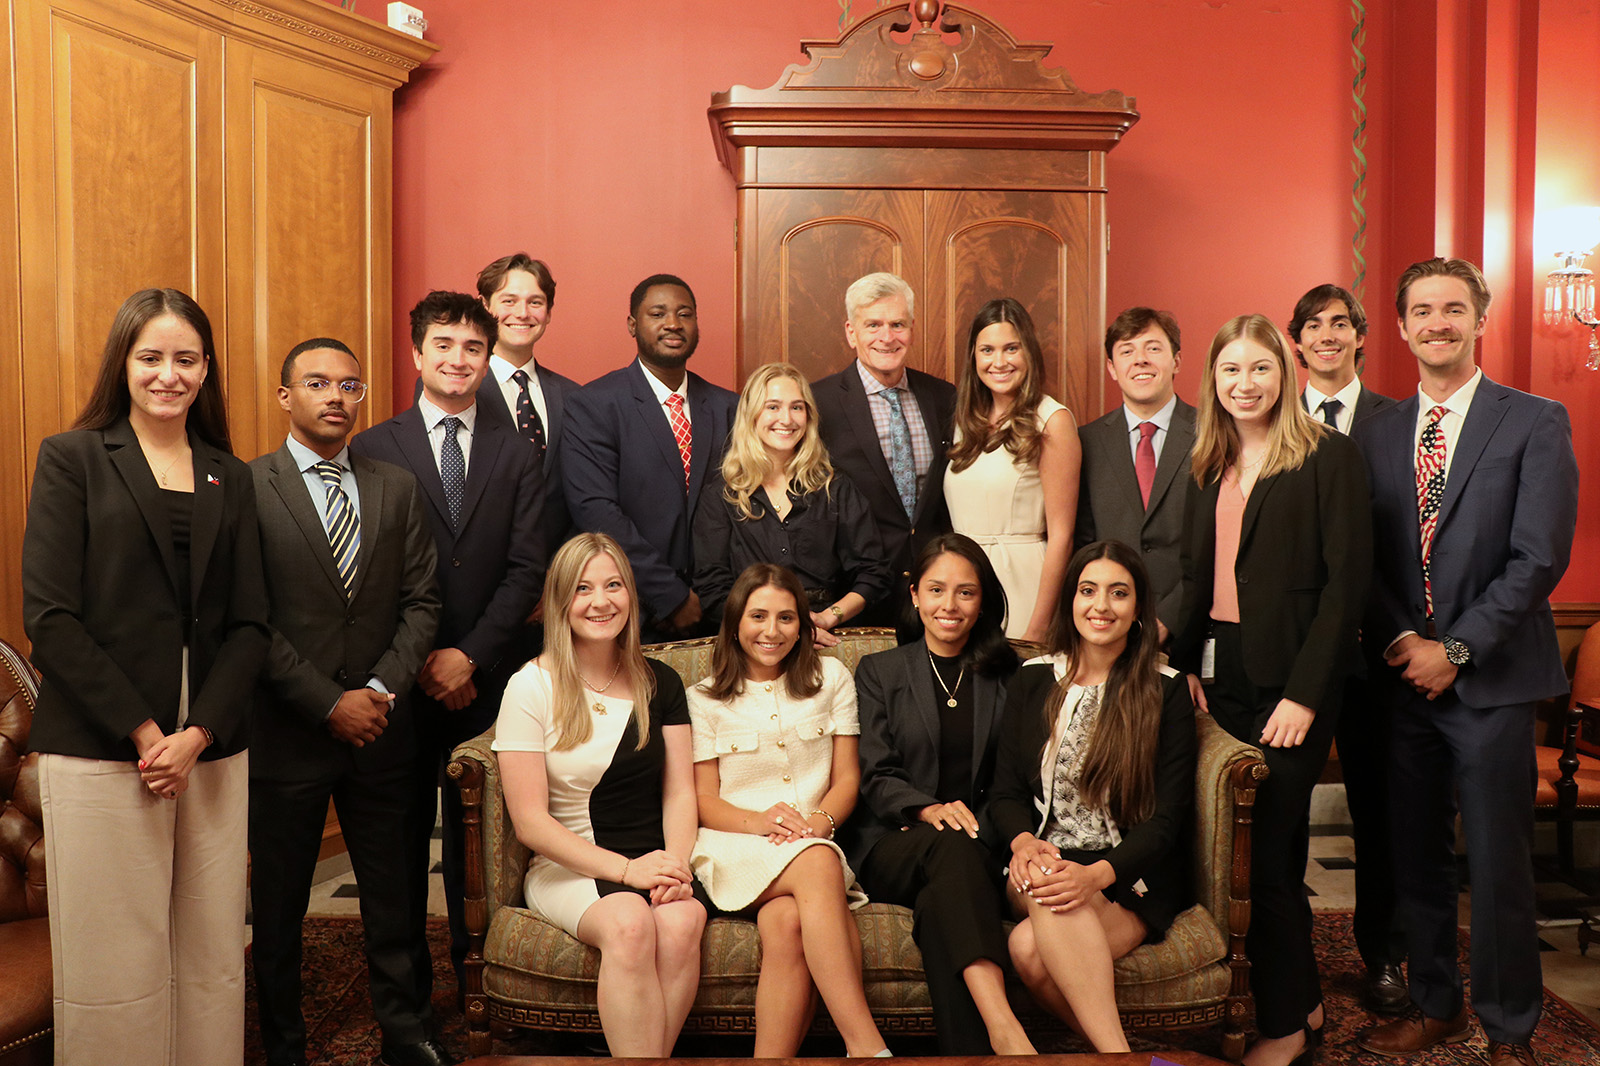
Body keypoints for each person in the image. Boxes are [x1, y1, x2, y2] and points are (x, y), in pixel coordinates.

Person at [22, 288, 270, 1066]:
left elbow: (251, 625)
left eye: (187, 359)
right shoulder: (73, 458)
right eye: (152, 357)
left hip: (212, 754)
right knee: (114, 969)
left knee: (210, 963)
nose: (170, 375)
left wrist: (197, 735)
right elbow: (50, 617)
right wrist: (147, 733)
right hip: (104, 750)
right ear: (123, 363)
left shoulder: (232, 473)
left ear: (207, 370)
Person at [1354, 259, 1578, 1066]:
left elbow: (1537, 559)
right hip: (1402, 683)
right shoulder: (1376, 431)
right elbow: (1367, 561)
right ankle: (1434, 1002)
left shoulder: (1534, 421)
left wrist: (1454, 650)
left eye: (1454, 309)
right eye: (1422, 310)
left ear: (1480, 320)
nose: (1437, 323)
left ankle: (1511, 1027)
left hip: (1492, 685)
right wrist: (1402, 645)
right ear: (1403, 326)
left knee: (1496, 864)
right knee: (1414, 854)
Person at [1173, 314, 1371, 1066]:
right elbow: (1197, 580)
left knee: (1267, 851)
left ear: (1283, 376)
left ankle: (1284, 1026)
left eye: (1259, 369)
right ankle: (1303, 998)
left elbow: (1345, 589)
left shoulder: (1328, 457)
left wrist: (1304, 695)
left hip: (1294, 682)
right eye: (1230, 371)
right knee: (1241, 854)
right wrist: (1188, 663)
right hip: (1221, 674)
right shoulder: (1207, 461)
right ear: (1213, 381)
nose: (1244, 384)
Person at [250, 338, 448, 1066]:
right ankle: (283, 1041)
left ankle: (407, 1031)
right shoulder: (248, 487)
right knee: (279, 905)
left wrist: (373, 691)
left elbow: (422, 601)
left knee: (393, 895)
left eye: (350, 384)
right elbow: (249, 616)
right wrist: (324, 700)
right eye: (317, 383)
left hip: (381, 729)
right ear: (285, 398)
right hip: (287, 732)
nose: (336, 396)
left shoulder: (395, 487)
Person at [350, 290, 547, 1003]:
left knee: (482, 845)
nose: (457, 359)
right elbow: (369, 573)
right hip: (399, 680)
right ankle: (404, 997)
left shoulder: (516, 452)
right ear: (416, 354)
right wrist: (425, 657)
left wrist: (470, 655)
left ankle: (481, 980)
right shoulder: (373, 446)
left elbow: (528, 566)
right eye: (444, 344)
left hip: (487, 679)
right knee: (397, 843)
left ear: (488, 358)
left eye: (472, 347)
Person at [494, 533, 705, 1057]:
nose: (600, 601)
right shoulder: (530, 686)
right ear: (560, 602)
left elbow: (680, 793)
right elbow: (530, 824)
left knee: (683, 920)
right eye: (583, 589)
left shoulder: (662, 682)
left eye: (613, 585)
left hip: (654, 859)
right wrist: (627, 872)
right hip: (570, 866)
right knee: (630, 922)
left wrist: (675, 868)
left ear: (631, 596)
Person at [988, 540, 1196, 1052]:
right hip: (1044, 861)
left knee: (1027, 950)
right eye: (1088, 590)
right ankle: (1126, 1058)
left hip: (1129, 870)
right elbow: (1005, 792)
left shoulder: (1164, 689)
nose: (1101, 606)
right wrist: (1021, 842)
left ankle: (1115, 1057)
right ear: (1070, 600)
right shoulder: (1034, 679)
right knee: (1045, 874)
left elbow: (1167, 819)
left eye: (1118, 594)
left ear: (1139, 609)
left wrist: (1100, 875)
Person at [687, 564, 890, 1058]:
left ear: (803, 625)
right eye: (758, 616)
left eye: (785, 618)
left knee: (786, 924)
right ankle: (866, 1046)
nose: (771, 631)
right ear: (735, 622)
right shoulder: (704, 697)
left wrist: (820, 825)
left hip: (812, 839)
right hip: (736, 847)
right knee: (819, 862)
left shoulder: (833, 678)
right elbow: (704, 800)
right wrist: (759, 823)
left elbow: (847, 779)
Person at [846, 533, 1033, 1055]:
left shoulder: (1011, 675)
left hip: (978, 846)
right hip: (893, 844)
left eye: (966, 593)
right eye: (936, 590)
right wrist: (927, 808)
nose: (949, 606)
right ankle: (1006, 1028)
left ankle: (976, 1046)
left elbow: (1012, 783)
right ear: (914, 595)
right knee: (949, 845)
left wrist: (982, 829)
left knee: (941, 905)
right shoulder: (879, 672)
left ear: (984, 600)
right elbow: (876, 773)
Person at [1287, 283, 1406, 1014]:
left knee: (1380, 810)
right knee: (1278, 811)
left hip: (1374, 654)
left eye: (1342, 325)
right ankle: (1286, 955)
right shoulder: (1265, 415)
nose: (1327, 335)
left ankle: (1385, 956)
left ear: (1362, 338)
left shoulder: (1396, 422)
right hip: (1291, 657)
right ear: (1294, 340)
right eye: (1313, 325)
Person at [563, 274, 738, 641]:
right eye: (658, 313)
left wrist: (713, 597)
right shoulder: (594, 404)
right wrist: (671, 597)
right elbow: (596, 510)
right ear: (632, 324)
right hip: (631, 613)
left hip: (721, 613)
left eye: (684, 314)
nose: (673, 323)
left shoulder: (729, 408)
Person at [693, 361, 891, 645]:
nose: (786, 419)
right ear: (751, 415)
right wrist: (774, 628)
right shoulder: (721, 496)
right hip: (751, 643)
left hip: (825, 637)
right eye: (773, 407)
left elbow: (874, 573)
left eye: (797, 407)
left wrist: (827, 618)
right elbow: (712, 589)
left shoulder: (835, 487)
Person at [814, 272, 956, 630]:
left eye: (897, 324)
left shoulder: (943, 397)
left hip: (935, 595)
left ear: (912, 328)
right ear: (851, 332)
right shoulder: (818, 403)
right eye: (873, 324)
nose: (887, 337)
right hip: (853, 594)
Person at [943, 297, 1080, 642]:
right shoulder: (965, 423)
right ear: (973, 356)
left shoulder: (1052, 420)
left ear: (1029, 352)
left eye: (1011, 348)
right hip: (961, 587)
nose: (999, 361)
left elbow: (1062, 536)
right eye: (987, 350)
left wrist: (1039, 626)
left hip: (1023, 585)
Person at [1076, 307, 1195, 642]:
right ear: (1113, 369)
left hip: (1192, 627)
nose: (1140, 359)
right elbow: (1083, 543)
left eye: (1153, 348)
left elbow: (1219, 543)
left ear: (1176, 361)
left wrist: (1169, 617)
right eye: (1127, 351)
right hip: (1108, 629)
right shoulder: (1087, 441)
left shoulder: (1213, 435)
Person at [475, 253, 582, 553]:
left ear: (548, 313)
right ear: (485, 307)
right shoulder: (458, 391)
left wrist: (561, 571)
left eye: (535, 302)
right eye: (508, 301)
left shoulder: (574, 398)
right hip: (483, 575)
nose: (522, 313)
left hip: (558, 574)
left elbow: (581, 496)